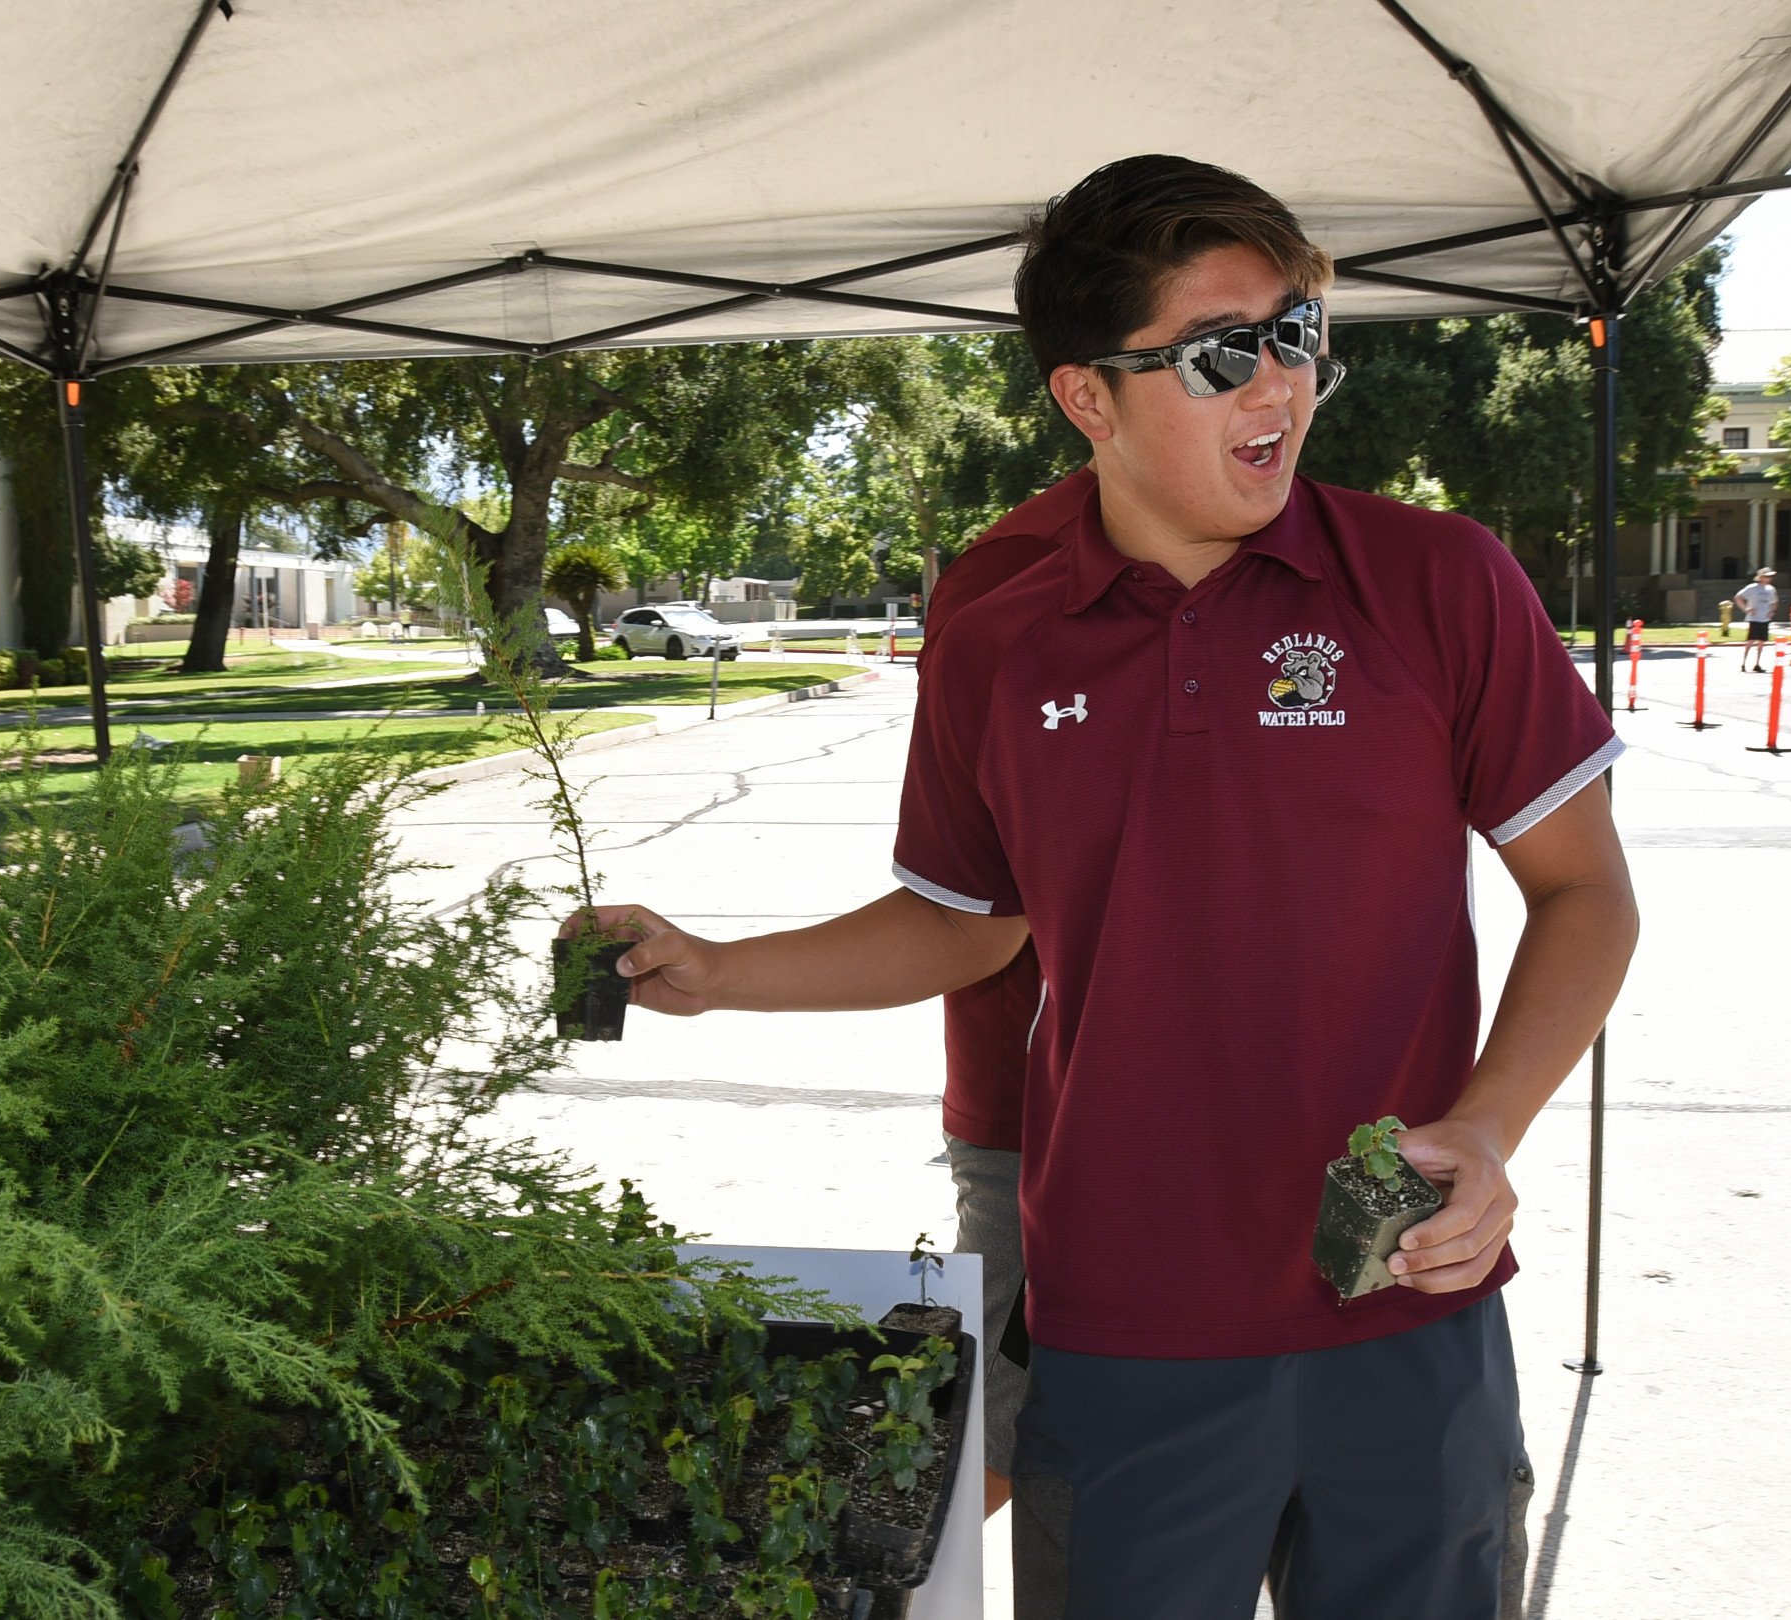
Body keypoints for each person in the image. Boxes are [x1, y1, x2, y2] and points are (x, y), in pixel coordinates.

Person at [571, 155, 1636, 1620]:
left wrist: (1489, 1124)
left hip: (1407, 1305)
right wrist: (720, 967)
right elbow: (972, 914)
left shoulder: (1439, 580)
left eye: (1300, 333)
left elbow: (1585, 892)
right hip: (1124, 1328)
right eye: (1222, 355)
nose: (1281, 388)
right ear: (1089, 398)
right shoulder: (999, 627)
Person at [925, 466, 1093, 1520]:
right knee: (985, 1449)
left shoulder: (1347, 566)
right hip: (1040, 1123)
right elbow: (969, 900)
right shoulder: (1010, 580)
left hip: (1264, 1140)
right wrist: (720, 975)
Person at [1737, 567, 1781, 671]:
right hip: (1754, 619)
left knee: (1761, 642)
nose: (1769, 578)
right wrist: (1746, 608)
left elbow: (1775, 602)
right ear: (1761, 577)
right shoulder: (1752, 588)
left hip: (1765, 619)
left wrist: (1772, 611)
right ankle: (1744, 663)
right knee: (1750, 641)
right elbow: (1738, 597)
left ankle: (1757, 664)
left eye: (1770, 576)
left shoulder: (1771, 589)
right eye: (1767, 576)